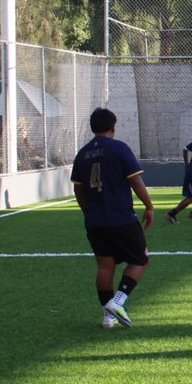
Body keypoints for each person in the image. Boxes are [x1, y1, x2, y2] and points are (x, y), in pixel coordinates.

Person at [69, 108, 154, 328]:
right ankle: (118, 302)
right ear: (113, 127)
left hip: (95, 220)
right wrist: (149, 206)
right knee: (141, 259)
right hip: (121, 218)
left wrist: (88, 211)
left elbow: (78, 190)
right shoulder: (119, 148)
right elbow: (135, 181)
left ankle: (107, 317)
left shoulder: (82, 154)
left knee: (105, 267)